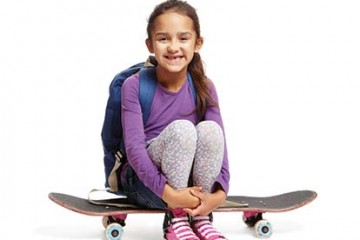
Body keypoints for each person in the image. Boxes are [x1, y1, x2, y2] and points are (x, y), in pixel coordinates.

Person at [119, 0, 230, 239]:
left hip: (190, 187)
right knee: (183, 129)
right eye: (163, 39)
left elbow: (221, 147)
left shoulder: (205, 87)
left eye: (183, 38)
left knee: (210, 129)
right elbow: (135, 151)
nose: (173, 47)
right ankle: (176, 218)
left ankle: (201, 218)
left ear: (197, 43)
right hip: (144, 184)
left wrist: (217, 197)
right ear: (150, 44)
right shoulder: (134, 85)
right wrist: (172, 197)